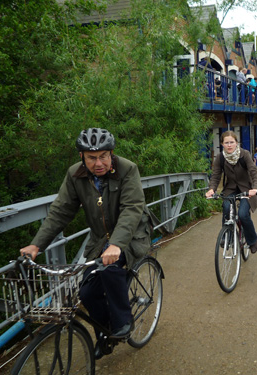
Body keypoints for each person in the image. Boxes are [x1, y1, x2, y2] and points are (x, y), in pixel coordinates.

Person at [20, 128, 153, 360]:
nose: (98, 162)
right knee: (87, 292)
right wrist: (36, 245)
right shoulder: (75, 175)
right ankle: (106, 333)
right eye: (92, 157)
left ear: (112, 154)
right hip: (101, 238)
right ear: (82, 157)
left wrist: (117, 244)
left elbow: (132, 208)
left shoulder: (127, 169)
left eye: (103, 156)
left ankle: (123, 322)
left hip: (131, 235)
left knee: (110, 269)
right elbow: (61, 211)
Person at [206, 131, 257, 253]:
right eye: (226, 143)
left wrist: (255, 188)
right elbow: (215, 176)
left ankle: (252, 240)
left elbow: (254, 172)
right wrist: (211, 189)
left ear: (236, 143)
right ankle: (227, 237)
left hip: (247, 188)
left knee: (242, 214)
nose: (229, 145)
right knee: (226, 208)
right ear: (222, 144)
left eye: (232, 142)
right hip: (230, 188)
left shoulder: (244, 154)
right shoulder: (220, 157)